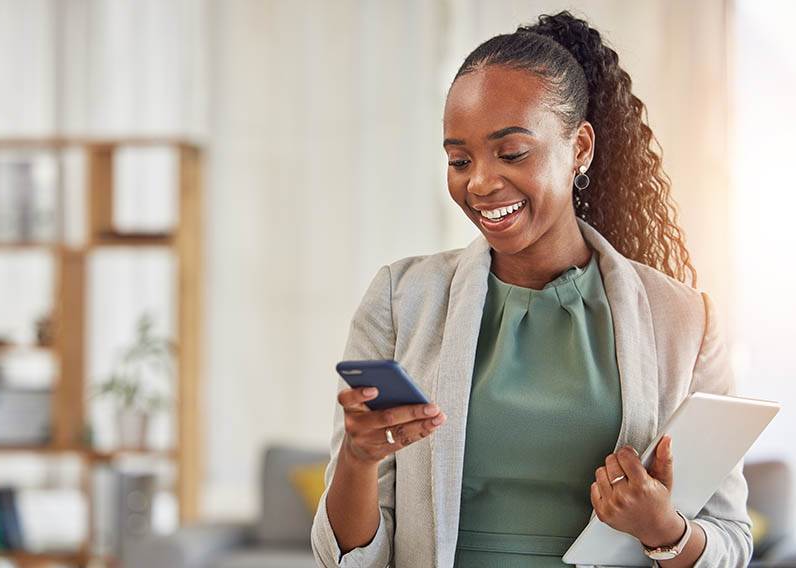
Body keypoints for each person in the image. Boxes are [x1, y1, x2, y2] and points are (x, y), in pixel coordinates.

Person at [310, 10, 752, 568]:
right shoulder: (402, 299)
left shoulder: (684, 320)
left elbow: (731, 540)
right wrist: (357, 458)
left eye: (512, 153)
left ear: (580, 148)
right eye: (459, 160)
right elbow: (344, 558)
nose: (480, 183)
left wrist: (662, 528)